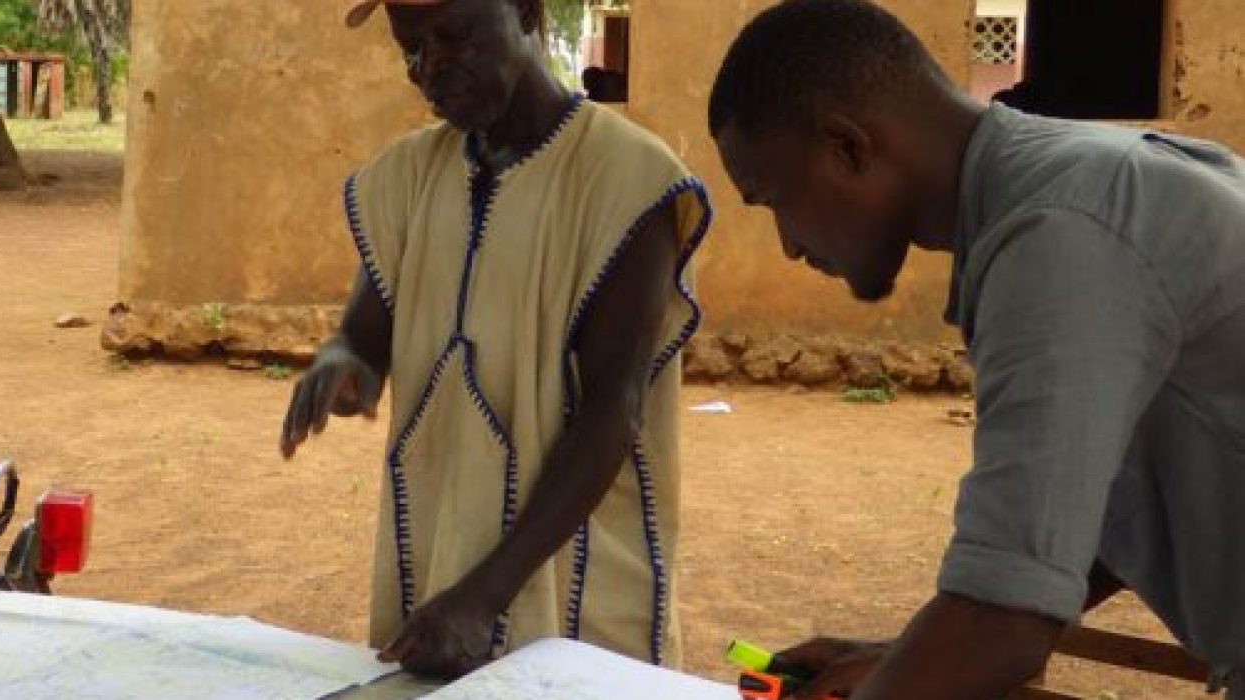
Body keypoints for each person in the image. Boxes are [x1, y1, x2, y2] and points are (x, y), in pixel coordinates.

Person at [707, 1, 1245, 698]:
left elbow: (1004, 626)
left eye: (776, 200)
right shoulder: (1072, 185)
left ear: (848, 147)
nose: (788, 245)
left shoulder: (1060, 237)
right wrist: (911, 651)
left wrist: (958, 638)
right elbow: (1081, 529)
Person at [281, 0, 712, 679]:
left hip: (574, 594)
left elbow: (612, 412)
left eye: (454, 35)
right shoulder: (409, 178)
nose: (430, 67)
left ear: (526, 11)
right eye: (410, 48)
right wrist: (342, 366)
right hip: (437, 570)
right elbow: (362, 337)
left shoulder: (629, 183)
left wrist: (484, 595)